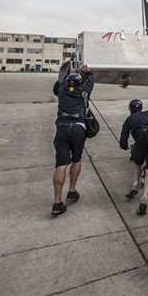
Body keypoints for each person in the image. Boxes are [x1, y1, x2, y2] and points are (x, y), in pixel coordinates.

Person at [52, 64, 94, 217]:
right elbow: (90, 79)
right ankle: (71, 191)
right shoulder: (83, 92)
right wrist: (86, 72)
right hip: (78, 128)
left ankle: (57, 202)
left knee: (61, 164)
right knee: (76, 160)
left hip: (62, 128)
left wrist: (70, 73)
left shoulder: (62, 91)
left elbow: (60, 81)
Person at [119, 99, 148, 215]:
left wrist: (125, 146)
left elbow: (123, 137)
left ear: (130, 109)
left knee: (137, 163)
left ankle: (135, 184)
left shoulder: (129, 120)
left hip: (140, 141)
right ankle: (144, 197)